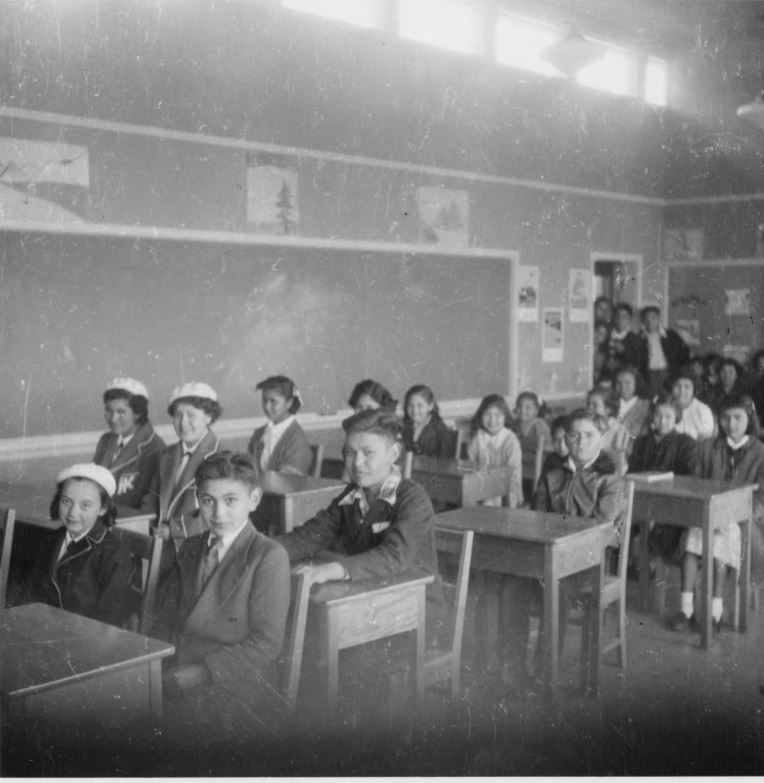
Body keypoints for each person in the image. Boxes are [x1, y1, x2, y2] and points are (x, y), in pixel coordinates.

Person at [152, 451, 290, 737]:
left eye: (230, 501)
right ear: (196, 500)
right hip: (181, 668)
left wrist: (199, 673)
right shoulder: (190, 547)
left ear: (253, 500)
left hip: (235, 684)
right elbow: (166, 616)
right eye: (207, 501)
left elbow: (267, 643)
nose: (218, 514)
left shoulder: (268, 555)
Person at [277, 409, 443, 638]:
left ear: (393, 453)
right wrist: (262, 551)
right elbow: (311, 535)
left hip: (417, 610)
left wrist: (331, 570)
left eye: (368, 453)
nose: (357, 463)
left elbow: (395, 555)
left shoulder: (412, 498)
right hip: (369, 599)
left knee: (324, 640)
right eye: (350, 453)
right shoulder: (353, 495)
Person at [502, 410, 627, 689]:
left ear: (602, 438)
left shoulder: (611, 480)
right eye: (574, 435)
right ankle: (513, 665)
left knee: (554, 592)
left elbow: (599, 528)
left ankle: (545, 671)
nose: (580, 442)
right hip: (547, 558)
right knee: (512, 586)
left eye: (589, 436)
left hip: (587, 565)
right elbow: (537, 516)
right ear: (565, 438)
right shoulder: (553, 472)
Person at [670, 395, 764, 633]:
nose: (731, 424)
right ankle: (686, 609)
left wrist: (737, 513)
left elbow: (761, 496)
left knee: (720, 539)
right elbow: (696, 483)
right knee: (691, 542)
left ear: (750, 419)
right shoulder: (707, 448)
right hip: (706, 512)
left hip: (743, 518)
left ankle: (715, 611)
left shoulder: (760, 451)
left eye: (737, 418)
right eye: (725, 418)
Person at [9, 463, 138, 627]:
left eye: (85, 505)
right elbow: (29, 590)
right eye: (66, 501)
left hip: (81, 639)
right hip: (41, 629)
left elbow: (109, 620)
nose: (73, 513)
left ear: (103, 508)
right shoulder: (52, 539)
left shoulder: (114, 554)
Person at [144, 382, 222, 547]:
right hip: (162, 543)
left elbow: (216, 512)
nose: (183, 422)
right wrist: (144, 522)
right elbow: (152, 497)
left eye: (191, 415)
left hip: (200, 544)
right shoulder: (167, 455)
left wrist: (173, 530)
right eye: (177, 415)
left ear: (208, 417)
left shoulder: (220, 458)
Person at [628, 392, 699, 562]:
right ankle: (625, 564)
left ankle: (649, 562)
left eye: (668, 416)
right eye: (658, 415)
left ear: (676, 417)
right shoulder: (642, 442)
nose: (662, 420)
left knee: (662, 528)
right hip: (641, 500)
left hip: (673, 503)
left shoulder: (686, 443)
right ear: (652, 416)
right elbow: (631, 473)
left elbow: (689, 479)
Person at [93, 376, 165, 516]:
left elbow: (148, 510)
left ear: (138, 413)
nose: (113, 419)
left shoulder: (155, 449)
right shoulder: (106, 440)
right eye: (109, 410)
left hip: (130, 527)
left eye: (121, 412)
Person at [248, 375, 313, 476]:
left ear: (289, 403)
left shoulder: (296, 439)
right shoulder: (259, 433)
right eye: (264, 400)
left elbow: (289, 479)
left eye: (273, 402)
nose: (267, 407)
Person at [466, 394, 522, 508]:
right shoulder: (477, 438)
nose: (492, 420)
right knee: (466, 500)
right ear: (480, 416)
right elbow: (469, 467)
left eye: (498, 415)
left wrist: (488, 491)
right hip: (480, 486)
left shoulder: (510, 441)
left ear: (505, 417)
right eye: (487, 415)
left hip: (508, 489)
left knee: (489, 503)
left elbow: (513, 475)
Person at [639, 305, 690, 396]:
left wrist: (677, 370)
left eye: (653, 318)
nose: (650, 321)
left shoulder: (670, 335)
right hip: (649, 375)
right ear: (643, 320)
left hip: (667, 373)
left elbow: (685, 352)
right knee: (651, 398)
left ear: (658, 319)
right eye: (646, 318)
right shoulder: (639, 338)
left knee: (669, 398)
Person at [511, 391, 551, 504]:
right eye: (519, 406)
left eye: (528, 407)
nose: (523, 410)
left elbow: (544, 450)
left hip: (535, 470)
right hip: (520, 470)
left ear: (536, 411)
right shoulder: (515, 425)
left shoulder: (539, 425)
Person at [402, 384, 454, 458]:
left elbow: (445, 460)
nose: (415, 410)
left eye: (420, 406)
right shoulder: (405, 429)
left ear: (430, 406)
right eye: (410, 405)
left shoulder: (440, 430)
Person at [586, 385, 629, 473]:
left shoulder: (618, 429)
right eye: (588, 404)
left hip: (614, 471)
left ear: (607, 409)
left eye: (595, 405)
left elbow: (620, 458)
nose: (589, 408)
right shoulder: (587, 427)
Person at [671, 369, 716, 441]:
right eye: (677, 386)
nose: (682, 391)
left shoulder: (703, 411)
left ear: (694, 389)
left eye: (687, 387)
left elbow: (704, 445)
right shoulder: (665, 408)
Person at [613, 365, 650, 450]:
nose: (622, 387)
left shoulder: (646, 406)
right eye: (618, 383)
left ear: (636, 383)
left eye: (627, 383)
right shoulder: (608, 405)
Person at [607, 303, 646, 380]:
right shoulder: (606, 335)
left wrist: (624, 351)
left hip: (626, 376)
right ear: (613, 317)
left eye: (624, 316)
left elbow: (638, 362)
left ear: (629, 319)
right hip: (606, 375)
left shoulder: (635, 339)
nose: (620, 319)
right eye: (617, 316)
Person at [593, 319, 612, 386]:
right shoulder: (583, 346)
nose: (599, 336)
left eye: (603, 335)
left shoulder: (604, 353)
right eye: (597, 331)